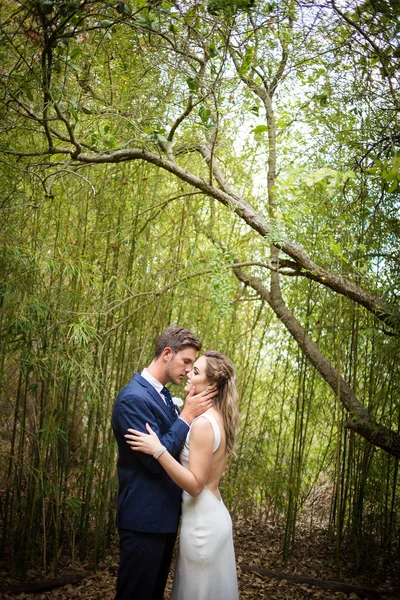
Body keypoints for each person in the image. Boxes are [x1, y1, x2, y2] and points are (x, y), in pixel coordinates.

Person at [111, 326, 217, 600]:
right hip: (143, 519)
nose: (188, 370)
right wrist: (186, 417)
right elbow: (155, 462)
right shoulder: (133, 399)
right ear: (167, 354)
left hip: (164, 519)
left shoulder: (164, 394)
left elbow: (173, 448)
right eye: (186, 361)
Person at [125, 350, 240, 600]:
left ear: (212, 385)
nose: (189, 372)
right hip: (208, 515)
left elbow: (196, 485)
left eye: (196, 371)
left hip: (202, 524)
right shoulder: (215, 418)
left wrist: (158, 451)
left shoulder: (202, 424)